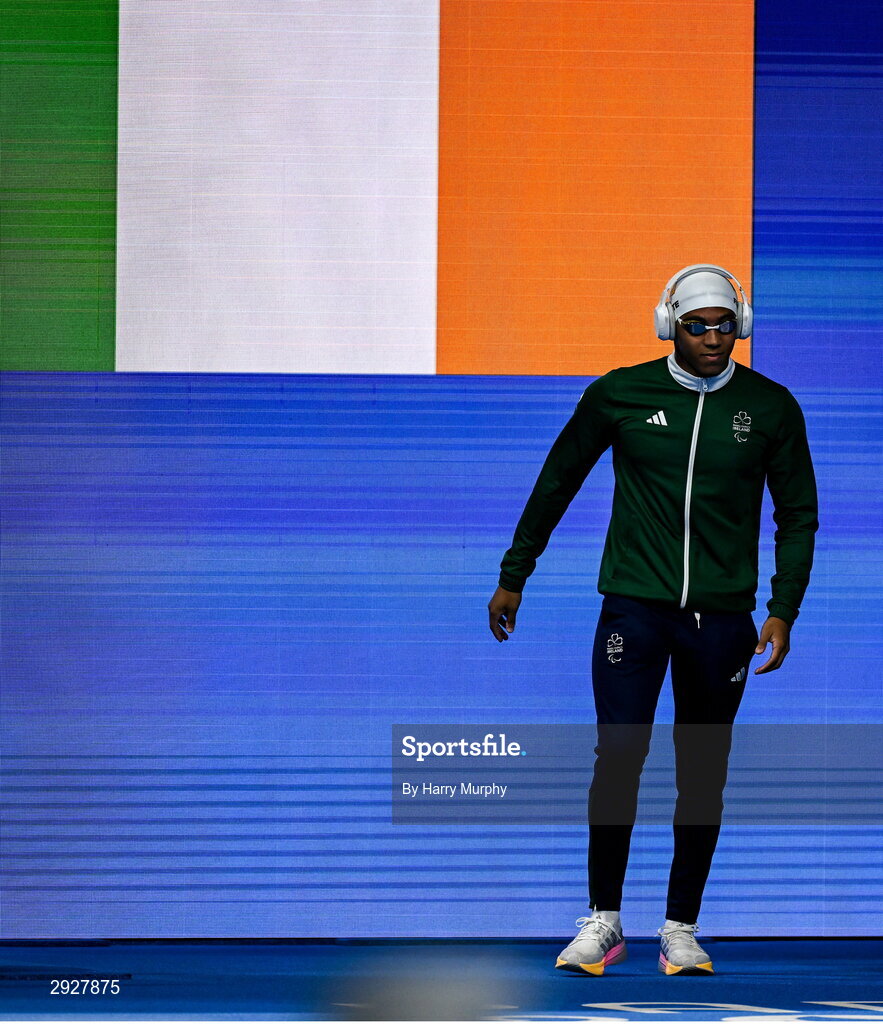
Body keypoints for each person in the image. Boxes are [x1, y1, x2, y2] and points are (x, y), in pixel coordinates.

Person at [487, 264, 818, 976]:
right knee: (618, 759)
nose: (711, 338)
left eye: (723, 325)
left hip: (722, 622)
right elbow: (557, 480)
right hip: (633, 611)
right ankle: (603, 921)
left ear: (741, 326)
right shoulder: (619, 393)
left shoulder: (771, 408)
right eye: (696, 325)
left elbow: (798, 517)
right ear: (670, 325)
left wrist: (782, 608)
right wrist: (515, 573)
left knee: (702, 772)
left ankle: (680, 928)